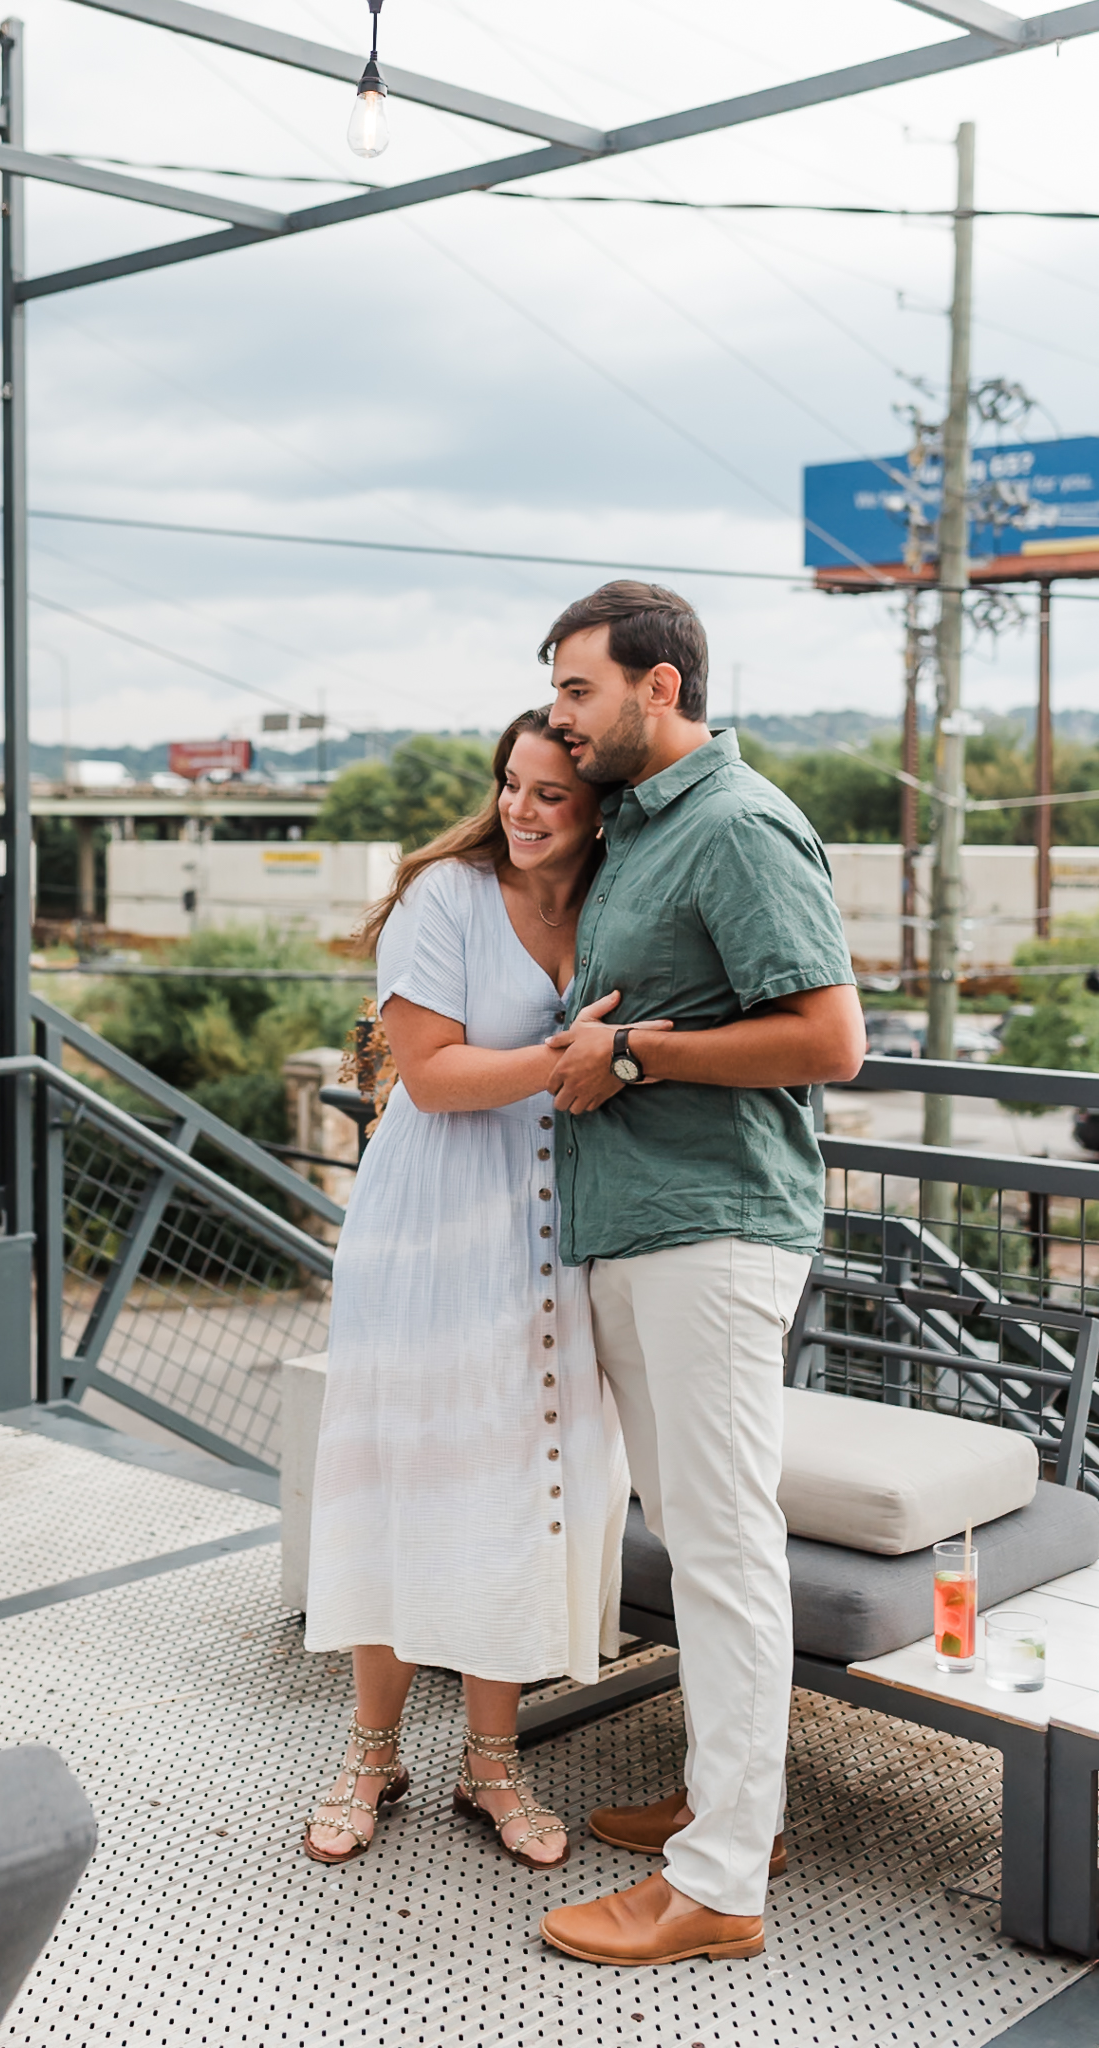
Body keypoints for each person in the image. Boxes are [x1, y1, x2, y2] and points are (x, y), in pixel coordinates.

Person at [530, 582, 865, 1968]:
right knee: (693, 1532)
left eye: (577, 692)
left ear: (658, 687)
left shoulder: (734, 824)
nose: (559, 717)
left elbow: (828, 1038)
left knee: (722, 1551)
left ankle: (720, 1883)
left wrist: (633, 1054)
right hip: (636, 1223)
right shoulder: (641, 834)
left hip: (713, 1229)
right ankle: (732, 1808)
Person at [302, 706, 631, 1871]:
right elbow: (432, 1079)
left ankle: (490, 1763)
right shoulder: (443, 896)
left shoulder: (613, 898)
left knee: (518, 1482)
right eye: (510, 784)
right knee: (405, 1472)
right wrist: (572, 1058)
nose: (521, 809)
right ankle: (369, 1751)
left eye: (550, 791)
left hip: (555, 1229)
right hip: (434, 1224)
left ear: (598, 801)